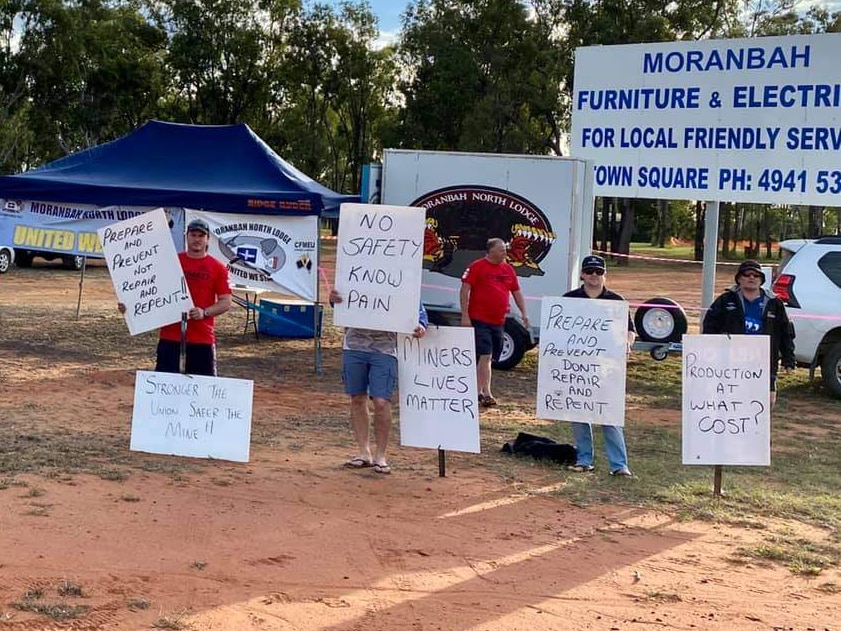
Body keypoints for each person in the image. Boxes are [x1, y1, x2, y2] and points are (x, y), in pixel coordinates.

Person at [329, 289, 428, 474]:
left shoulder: (400, 276)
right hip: (354, 346)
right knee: (357, 398)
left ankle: (380, 455)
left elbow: (416, 304)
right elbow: (340, 301)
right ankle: (363, 452)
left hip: (385, 349)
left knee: (381, 401)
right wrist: (334, 300)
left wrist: (421, 324)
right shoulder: (355, 272)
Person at [119, 218, 232, 376]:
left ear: (207, 239)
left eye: (201, 235)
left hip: (201, 337)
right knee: (165, 383)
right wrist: (130, 305)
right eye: (193, 235)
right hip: (170, 336)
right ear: (187, 236)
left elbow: (225, 302)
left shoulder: (218, 268)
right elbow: (149, 289)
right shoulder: (171, 262)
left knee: (202, 386)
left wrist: (204, 312)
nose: (197, 239)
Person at [563, 255, 635, 477]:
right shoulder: (569, 299)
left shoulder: (617, 301)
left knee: (609, 415)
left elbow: (630, 330)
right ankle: (584, 460)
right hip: (578, 368)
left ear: (605, 274)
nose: (594, 276)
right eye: (590, 271)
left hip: (607, 367)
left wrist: (627, 343)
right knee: (579, 413)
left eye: (599, 272)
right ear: (582, 274)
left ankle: (619, 465)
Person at [703, 259, 795, 408]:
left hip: (763, 363)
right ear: (739, 278)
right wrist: (710, 352)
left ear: (761, 279)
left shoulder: (774, 303)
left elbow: (786, 333)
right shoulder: (725, 300)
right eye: (747, 274)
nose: (751, 278)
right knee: (730, 403)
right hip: (731, 363)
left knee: (765, 405)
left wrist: (788, 359)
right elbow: (709, 327)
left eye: (756, 275)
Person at [459, 237, 530, 408]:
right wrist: (465, 315)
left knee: (489, 358)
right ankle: (485, 392)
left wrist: (524, 313)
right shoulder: (477, 266)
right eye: (500, 250)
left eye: (505, 249)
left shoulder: (508, 269)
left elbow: (516, 292)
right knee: (485, 354)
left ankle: (477, 391)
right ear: (490, 251)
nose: (504, 252)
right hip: (479, 318)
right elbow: (464, 290)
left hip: (498, 320)